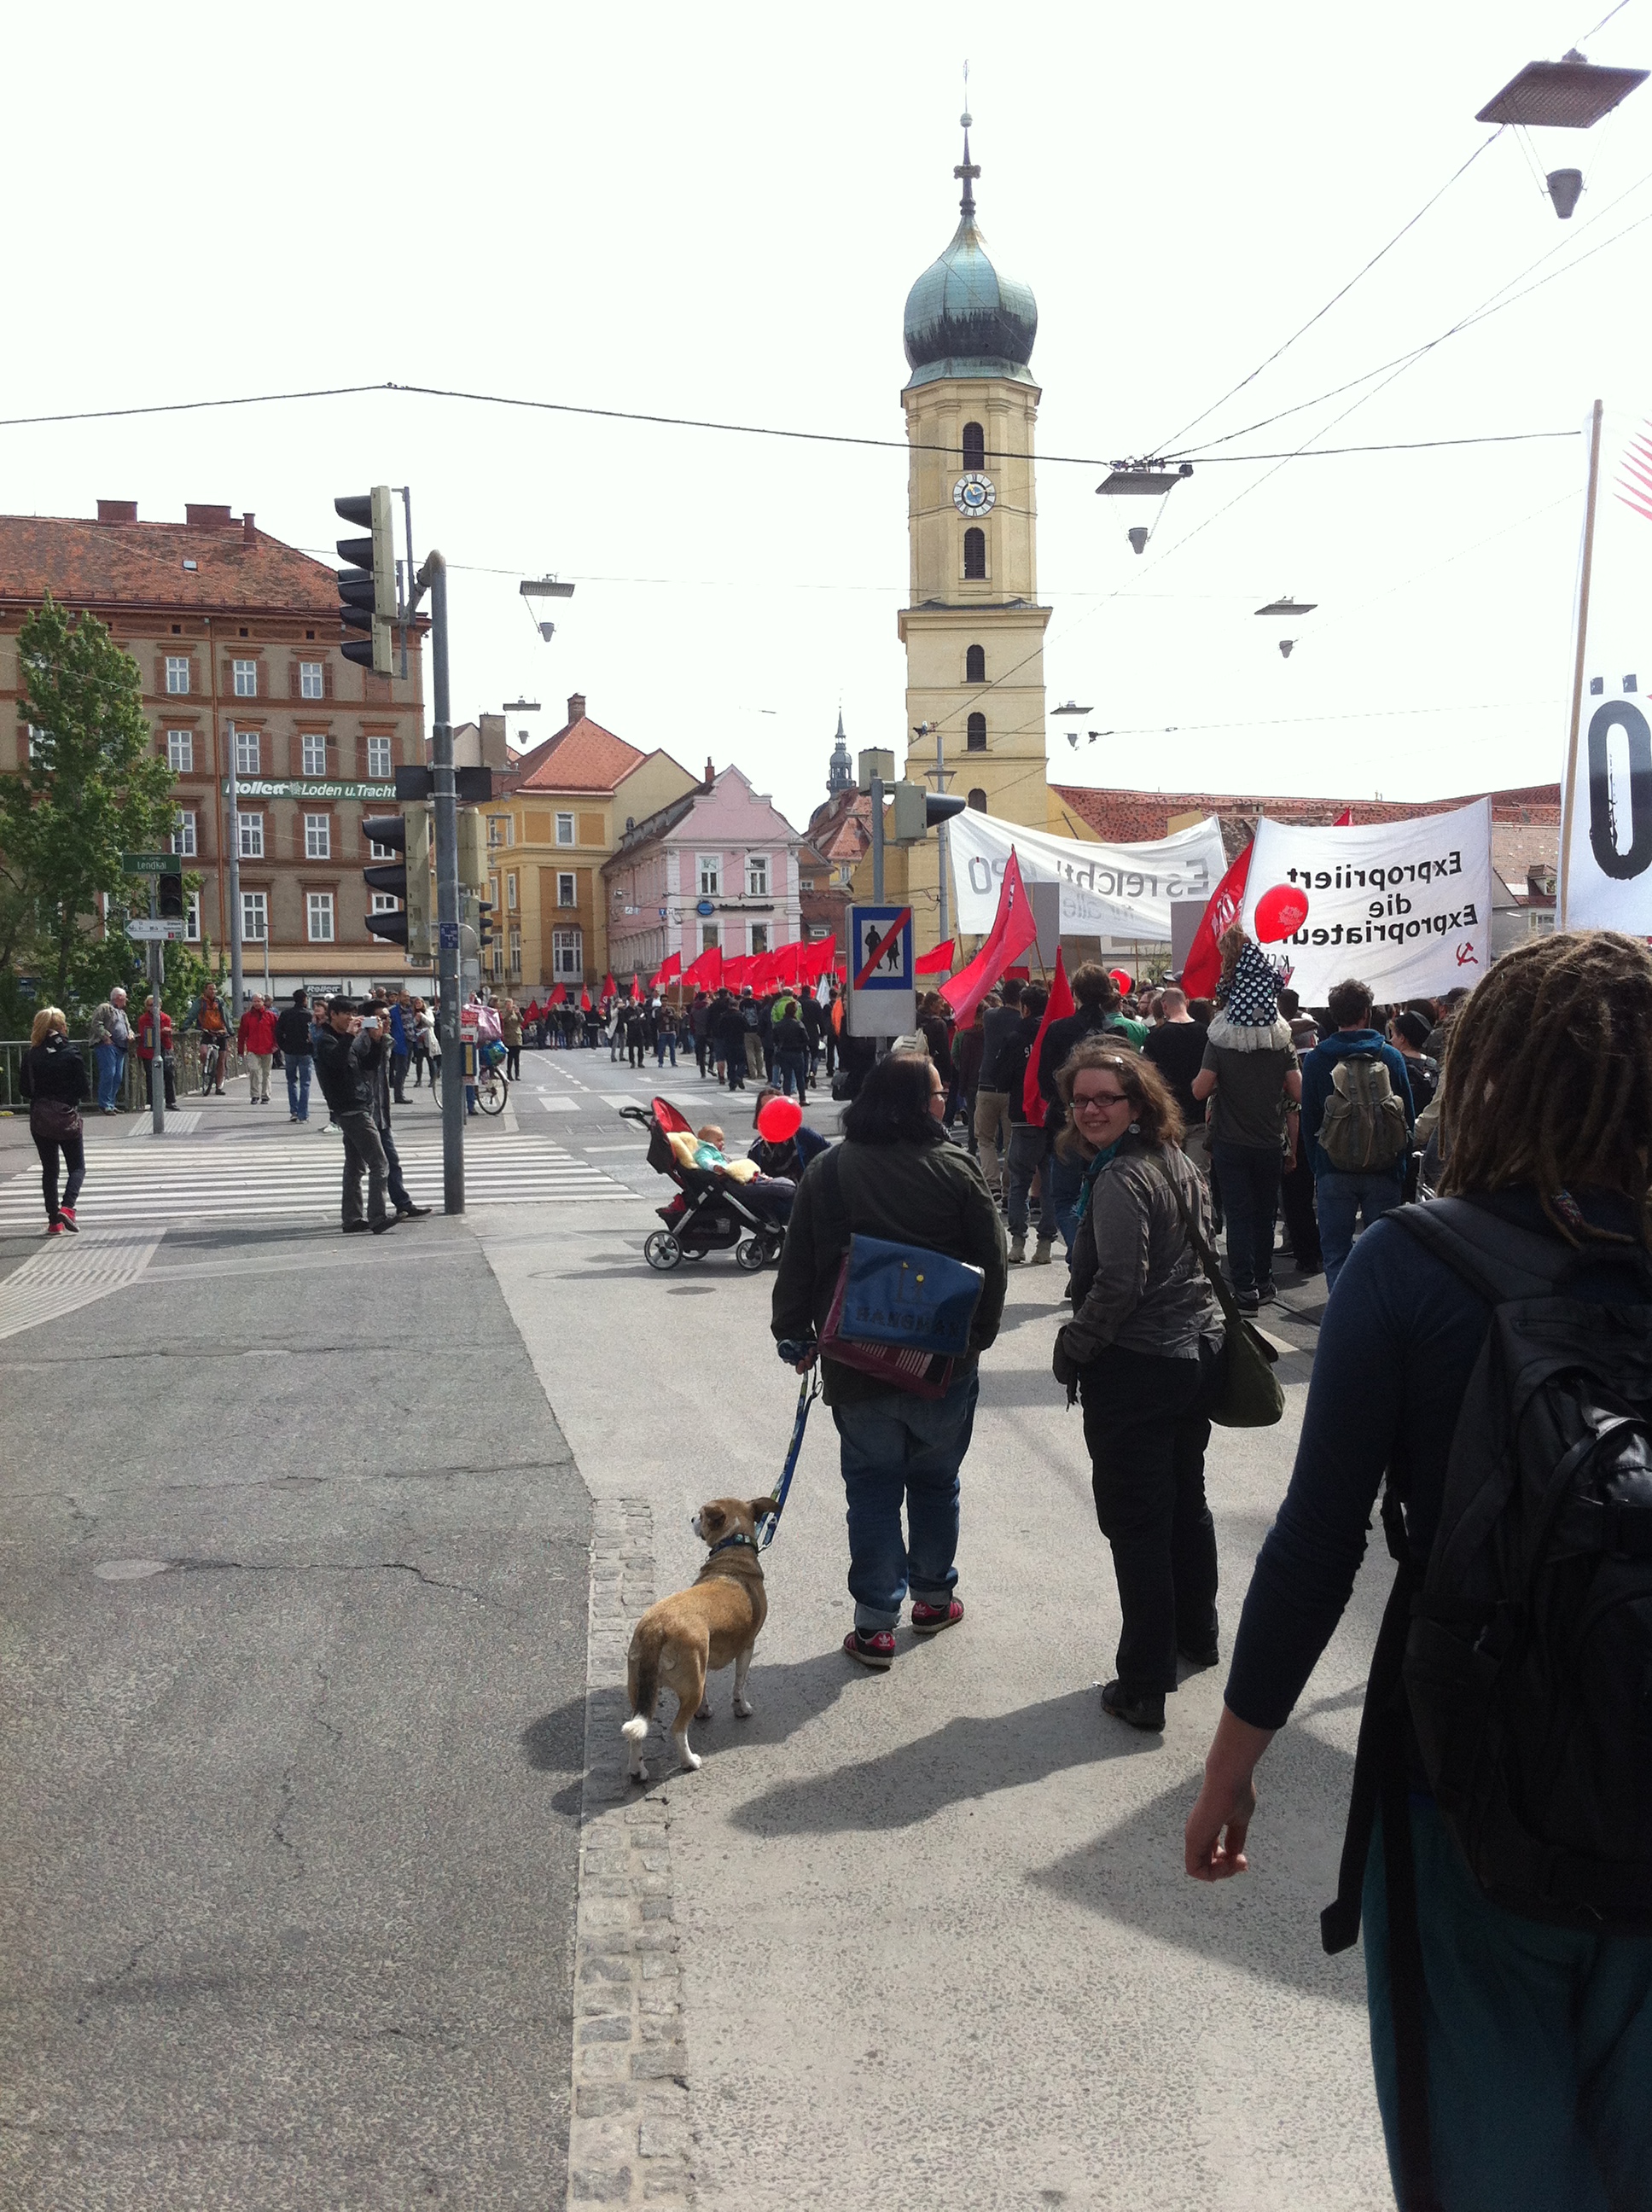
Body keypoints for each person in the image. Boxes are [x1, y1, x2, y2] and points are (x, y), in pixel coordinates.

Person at [1184, 931, 1652, 2209]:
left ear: (1487, 1073)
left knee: (1492, 2161)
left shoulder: (1412, 1263)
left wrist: (1232, 1767)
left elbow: (1316, 1547)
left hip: (1465, 1789)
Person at [771, 1051, 1007, 1667]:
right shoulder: (956, 1169)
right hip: (943, 1367)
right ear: (914, 1103)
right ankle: (932, 1599)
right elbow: (994, 1258)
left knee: (872, 1489)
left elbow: (798, 1259)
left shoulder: (830, 1170)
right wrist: (975, 1339)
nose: (942, 1100)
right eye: (936, 1092)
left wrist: (793, 1334)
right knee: (936, 1481)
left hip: (857, 1361)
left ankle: (875, 1624)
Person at [1050, 1042, 1224, 1732]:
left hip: (1141, 1365)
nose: (1091, 1110)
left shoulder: (1123, 1178)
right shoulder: (1175, 1159)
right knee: (1184, 1502)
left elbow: (1120, 1283)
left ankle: (1144, 1685)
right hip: (1191, 1355)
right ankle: (1197, 1636)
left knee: (1138, 1523)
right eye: (1081, 1099)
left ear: (1138, 1104)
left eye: (1106, 1100)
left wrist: (1074, 1346)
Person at [1189, 934, 1301, 1313]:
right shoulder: (1281, 1042)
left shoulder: (1219, 1041)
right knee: (1264, 1215)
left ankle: (1245, 1289)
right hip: (1270, 1140)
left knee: (1238, 1215)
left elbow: (1199, 1091)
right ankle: (1265, 1281)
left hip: (1229, 1142)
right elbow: (1299, 1093)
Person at [1301, 976, 1416, 1292]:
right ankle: (1380, 1321)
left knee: (1336, 1253)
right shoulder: (1390, 1056)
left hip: (1333, 1170)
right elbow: (1408, 1116)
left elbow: (1309, 1117)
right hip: (1384, 1169)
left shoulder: (1316, 1059)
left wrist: (1319, 1166)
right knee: (1383, 1253)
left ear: (1333, 1015)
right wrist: (1399, 1164)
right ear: (1367, 1012)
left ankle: (1343, 1321)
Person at [1037, 964, 1142, 1254]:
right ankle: (1090, 1260)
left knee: (1065, 1198)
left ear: (1076, 994)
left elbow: (1045, 1079)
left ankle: (1081, 1258)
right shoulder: (1117, 1031)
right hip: (1109, 1126)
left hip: (1067, 1123)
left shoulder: (1059, 1030)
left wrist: (1072, 1102)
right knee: (1103, 1196)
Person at [311, 997, 396, 1234]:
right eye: (346, 1014)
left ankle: (352, 1219)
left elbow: (368, 1065)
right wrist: (350, 1035)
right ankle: (377, 1217)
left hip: (359, 1103)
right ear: (333, 1015)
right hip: (350, 1107)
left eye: (353, 1014)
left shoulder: (345, 1038)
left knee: (355, 1166)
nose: (351, 1018)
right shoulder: (326, 1040)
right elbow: (337, 1063)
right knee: (380, 1164)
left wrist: (376, 1040)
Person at [992, 982, 1051, 1265]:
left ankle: (1017, 1243)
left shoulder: (1015, 1038)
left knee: (1019, 1183)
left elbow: (1000, 1080)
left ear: (1024, 1008)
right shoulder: (1057, 1032)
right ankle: (1045, 1246)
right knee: (1051, 1185)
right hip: (1055, 1118)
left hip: (1024, 1119)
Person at [20, 1006, 90, 1232]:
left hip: (40, 1117)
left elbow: (24, 1089)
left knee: (50, 1170)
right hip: (66, 1115)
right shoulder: (71, 1052)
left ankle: (54, 1222)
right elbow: (83, 1088)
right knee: (77, 1167)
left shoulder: (32, 1055)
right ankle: (68, 1207)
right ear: (60, 1027)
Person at [974, 978, 1023, 1201]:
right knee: (1011, 1142)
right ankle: (1007, 1187)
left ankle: (991, 1183)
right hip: (1013, 1089)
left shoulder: (989, 1016)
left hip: (986, 1085)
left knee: (985, 1139)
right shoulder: (1023, 1021)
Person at [86, 987, 131, 1114]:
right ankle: (104, 1104)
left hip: (121, 1046)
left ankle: (111, 1103)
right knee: (109, 1074)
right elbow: (96, 1023)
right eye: (125, 998)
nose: (126, 1000)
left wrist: (130, 1034)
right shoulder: (104, 1008)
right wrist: (105, 1036)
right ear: (119, 998)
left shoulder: (122, 1013)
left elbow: (128, 1027)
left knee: (117, 1076)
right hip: (107, 1045)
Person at [183, 981, 232, 1094]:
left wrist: (230, 1030)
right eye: (210, 989)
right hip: (207, 1031)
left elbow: (226, 1016)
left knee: (221, 1059)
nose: (213, 991)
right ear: (205, 990)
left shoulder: (219, 1001)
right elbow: (192, 1014)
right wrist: (185, 1026)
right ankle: (207, 1067)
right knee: (203, 1052)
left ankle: (219, 1086)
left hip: (221, 1032)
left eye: (214, 989)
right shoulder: (200, 1002)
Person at [275, 989, 314, 1122]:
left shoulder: (286, 1014)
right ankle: (303, 1113)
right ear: (304, 999)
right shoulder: (309, 1015)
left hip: (290, 1051)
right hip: (305, 1051)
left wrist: (283, 1046)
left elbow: (278, 1032)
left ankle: (294, 1111)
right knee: (305, 1083)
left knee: (291, 1081)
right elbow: (313, 1033)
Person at [134, 996, 177, 1111]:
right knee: (151, 1076)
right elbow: (146, 1035)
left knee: (169, 1074)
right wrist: (162, 1031)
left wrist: (164, 1032)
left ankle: (170, 1101)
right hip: (149, 1051)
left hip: (165, 1049)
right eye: (150, 1005)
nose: (153, 1008)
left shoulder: (165, 1018)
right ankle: (153, 1102)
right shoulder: (143, 1019)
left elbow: (168, 1034)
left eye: (155, 1005)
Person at [236, 992, 277, 1104]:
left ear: (263, 1002)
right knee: (254, 1071)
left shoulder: (271, 1016)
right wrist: (240, 1050)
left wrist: (276, 1045)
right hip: (252, 1048)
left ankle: (265, 1095)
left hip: (267, 1048)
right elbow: (242, 1034)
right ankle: (254, 1095)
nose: (256, 1003)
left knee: (266, 1073)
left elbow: (277, 1032)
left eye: (259, 1001)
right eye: (254, 1001)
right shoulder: (246, 1017)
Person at [773, 998, 811, 1103]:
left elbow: (775, 1039)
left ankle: (786, 1098)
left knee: (787, 1076)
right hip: (797, 1052)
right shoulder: (798, 1024)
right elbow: (806, 1039)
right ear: (795, 1012)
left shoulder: (779, 1024)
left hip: (784, 1052)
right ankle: (802, 1098)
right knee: (800, 1077)